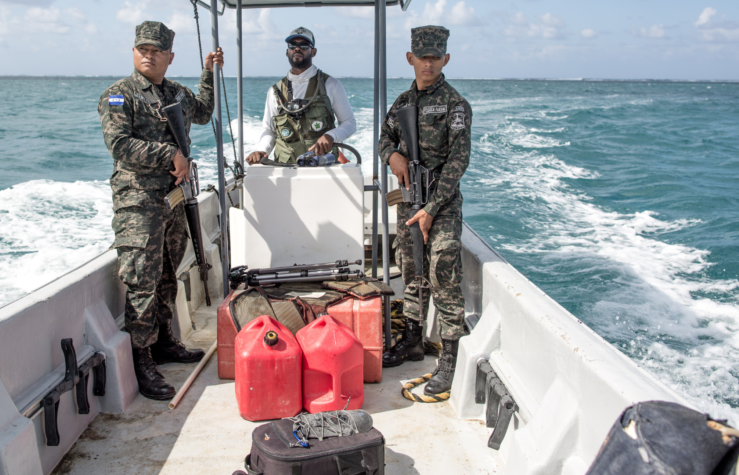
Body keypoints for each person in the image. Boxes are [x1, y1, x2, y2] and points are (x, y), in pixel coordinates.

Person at [98, 20, 224, 400]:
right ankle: (141, 358)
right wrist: (168, 153)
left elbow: (202, 112)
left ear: (170, 56)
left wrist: (208, 72)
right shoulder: (119, 96)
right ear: (133, 52)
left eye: (156, 51)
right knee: (143, 281)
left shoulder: (176, 92)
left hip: (173, 200)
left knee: (169, 273)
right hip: (139, 203)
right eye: (142, 49)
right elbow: (119, 144)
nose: (148, 56)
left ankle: (164, 341)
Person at [377, 25, 472, 395]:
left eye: (435, 58)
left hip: (441, 204)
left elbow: (458, 162)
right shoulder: (402, 103)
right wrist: (393, 156)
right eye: (422, 57)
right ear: (410, 58)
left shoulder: (456, 105)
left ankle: (448, 358)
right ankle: (413, 339)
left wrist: (432, 208)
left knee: (443, 271)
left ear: (445, 59)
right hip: (408, 201)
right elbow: (384, 137)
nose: (428, 64)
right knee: (411, 266)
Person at [245, 27, 357, 165]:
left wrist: (331, 136)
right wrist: (262, 150)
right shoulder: (274, 91)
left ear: (313, 52)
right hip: (285, 170)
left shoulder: (331, 85)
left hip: (322, 167)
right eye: (292, 45)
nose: (297, 49)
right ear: (287, 52)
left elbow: (349, 123)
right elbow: (269, 130)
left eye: (304, 45)